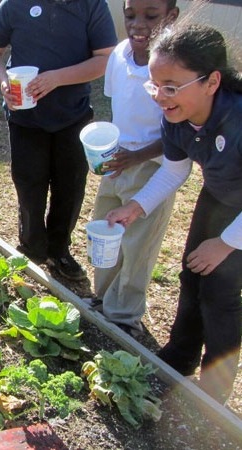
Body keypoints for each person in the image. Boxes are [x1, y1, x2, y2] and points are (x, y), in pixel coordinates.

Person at [106, 23, 242, 403]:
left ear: (211, 82)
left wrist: (226, 243)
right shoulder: (176, 115)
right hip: (221, 195)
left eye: (171, 86)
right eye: (154, 85)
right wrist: (135, 206)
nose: (159, 97)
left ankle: (215, 392)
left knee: (221, 293)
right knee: (192, 274)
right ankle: (179, 359)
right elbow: (175, 169)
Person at [0, 0, 117, 281]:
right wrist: (4, 80)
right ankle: (31, 248)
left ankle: (59, 251)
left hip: (72, 115)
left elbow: (104, 58)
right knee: (29, 183)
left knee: (70, 187)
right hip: (25, 117)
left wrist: (57, 78)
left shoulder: (92, 5)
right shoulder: (14, 5)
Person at [89, 0, 179, 338]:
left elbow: (177, 134)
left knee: (137, 243)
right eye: (130, 16)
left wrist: (137, 156)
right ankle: (103, 298)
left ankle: (124, 315)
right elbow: (118, 106)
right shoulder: (119, 55)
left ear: (172, 17)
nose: (138, 25)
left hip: (154, 168)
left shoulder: (174, 67)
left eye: (151, 16)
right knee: (105, 230)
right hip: (116, 162)